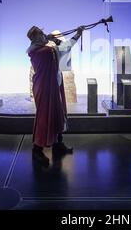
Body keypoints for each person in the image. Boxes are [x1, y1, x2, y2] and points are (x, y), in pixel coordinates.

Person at [26, 25, 84, 166]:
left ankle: (58, 145)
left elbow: (59, 48)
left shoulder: (41, 49)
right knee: (44, 116)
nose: (44, 35)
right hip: (45, 86)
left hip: (51, 84)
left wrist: (51, 40)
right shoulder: (44, 51)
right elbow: (64, 47)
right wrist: (77, 34)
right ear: (36, 38)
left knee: (57, 113)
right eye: (41, 33)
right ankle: (37, 149)